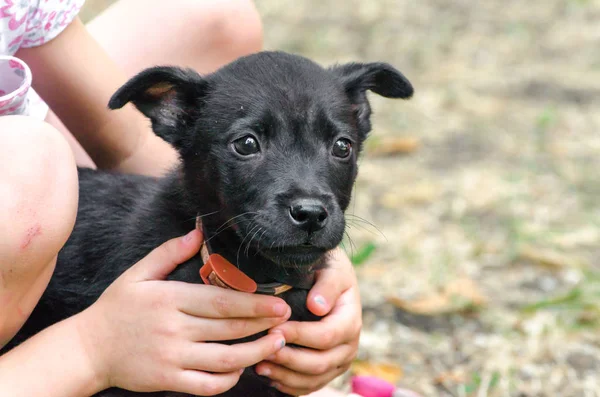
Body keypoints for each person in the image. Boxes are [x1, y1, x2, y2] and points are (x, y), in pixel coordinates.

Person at [0, 1, 361, 396]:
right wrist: (92, 347)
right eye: (247, 144)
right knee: (33, 159)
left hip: (29, 135)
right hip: (21, 175)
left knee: (215, 16)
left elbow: (127, 144)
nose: (308, 202)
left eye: (340, 146)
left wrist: (318, 268)